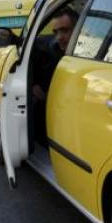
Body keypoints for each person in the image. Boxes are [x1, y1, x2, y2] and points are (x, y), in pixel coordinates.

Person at [30, 8, 78, 143]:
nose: (59, 37)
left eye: (65, 30)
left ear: (79, 29)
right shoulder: (57, 54)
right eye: (56, 32)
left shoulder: (84, 56)